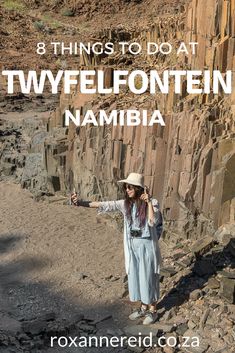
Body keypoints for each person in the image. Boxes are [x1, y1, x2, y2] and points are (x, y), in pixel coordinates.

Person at [71, 173, 163, 325]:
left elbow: (153, 221)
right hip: (133, 246)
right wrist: (80, 203)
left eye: (130, 187)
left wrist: (148, 203)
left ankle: (152, 311)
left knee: (148, 277)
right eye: (126, 187)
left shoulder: (152, 202)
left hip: (146, 247)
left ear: (139, 188)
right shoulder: (125, 204)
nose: (127, 190)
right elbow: (104, 204)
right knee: (137, 276)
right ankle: (143, 307)